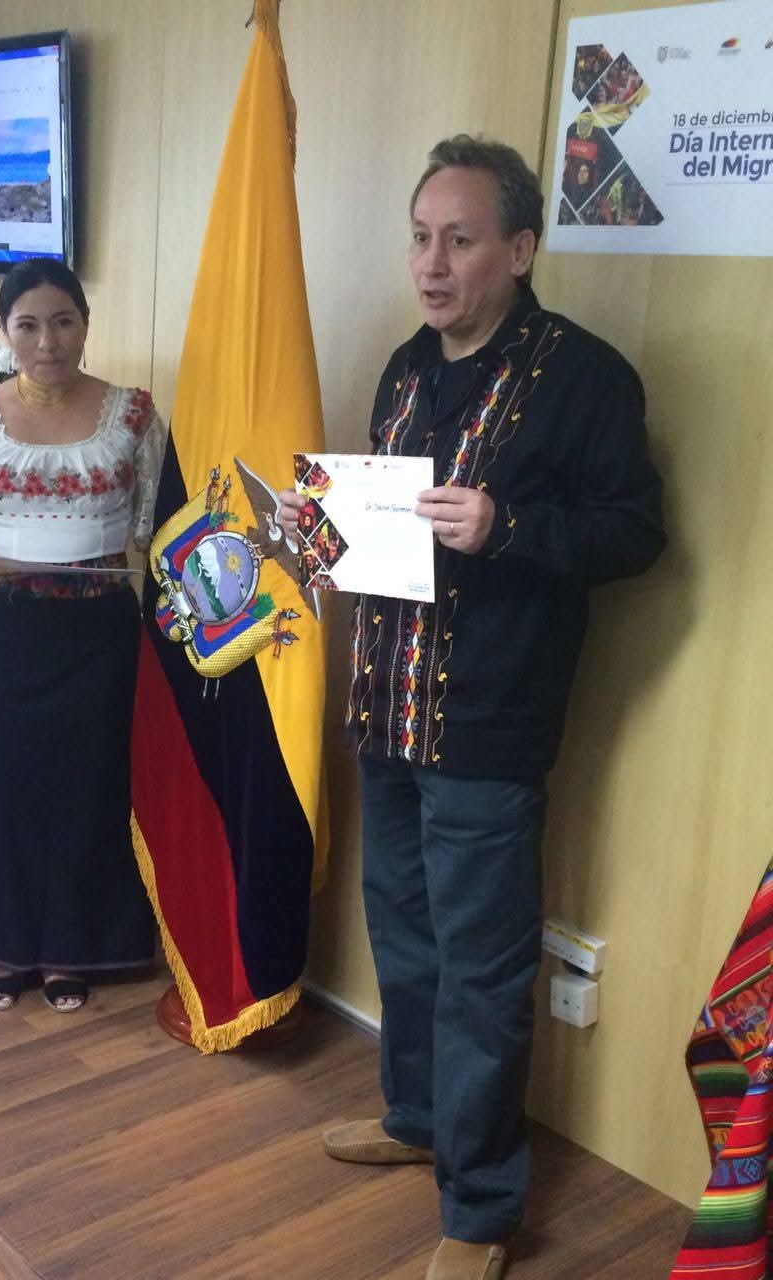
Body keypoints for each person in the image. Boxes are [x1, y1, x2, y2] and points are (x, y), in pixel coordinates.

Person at [280, 136, 665, 1280]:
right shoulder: (407, 364)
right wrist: (314, 535)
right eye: (419, 237)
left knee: (485, 966)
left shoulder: (585, 376)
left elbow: (636, 532)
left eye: (458, 239)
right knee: (403, 937)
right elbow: (382, 520)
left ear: (519, 248)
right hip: (383, 707)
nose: (431, 264)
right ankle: (417, 1119)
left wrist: (511, 528)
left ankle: (484, 1207)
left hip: (488, 727)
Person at [0, 259, 165, 1013]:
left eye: (63, 321)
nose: (48, 341)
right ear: (5, 331)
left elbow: (161, 525)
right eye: (28, 324)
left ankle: (72, 949)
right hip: (2, 632)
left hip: (99, 636)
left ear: (84, 323)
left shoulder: (134, 416)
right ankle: (4, 947)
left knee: (87, 787)